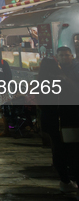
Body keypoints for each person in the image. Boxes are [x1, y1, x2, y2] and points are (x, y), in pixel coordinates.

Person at [38, 57, 79, 193]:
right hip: (65, 120)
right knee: (71, 151)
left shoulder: (40, 80)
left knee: (57, 150)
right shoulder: (61, 80)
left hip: (49, 121)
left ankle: (64, 180)